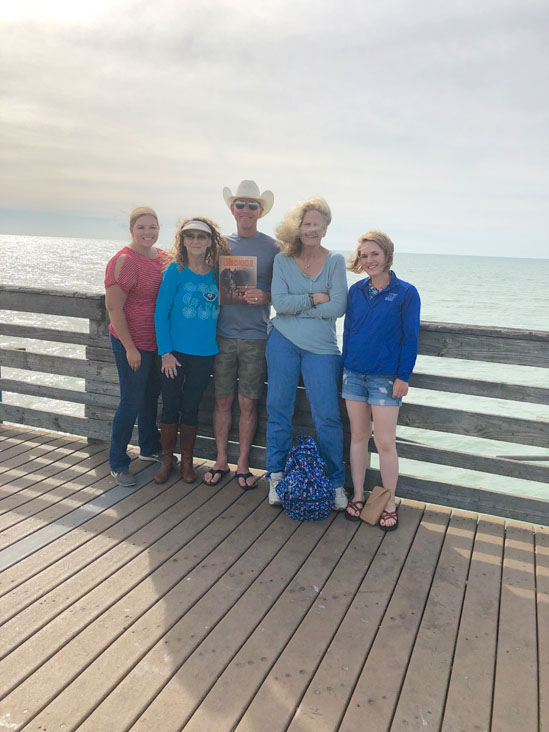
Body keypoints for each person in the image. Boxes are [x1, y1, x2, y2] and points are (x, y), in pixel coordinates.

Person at [266, 197, 348, 509]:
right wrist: (314, 299)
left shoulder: (335, 261)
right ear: (297, 228)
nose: (312, 229)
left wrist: (297, 307)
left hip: (322, 349)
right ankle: (276, 477)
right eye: (306, 224)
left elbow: (338, 307)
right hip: (282, 342)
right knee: (278, 409)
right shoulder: (282, 260)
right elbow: (279, 303)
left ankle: (335, 483)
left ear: (325, 229)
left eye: (317, 224)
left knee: (327, 416)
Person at [342, 231, 421, 530]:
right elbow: (348, 332)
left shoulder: (406, 292)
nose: (369, 260)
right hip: (353, 375)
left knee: (385, 442)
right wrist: (345, 365)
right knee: (358, 437)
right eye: (364, 256)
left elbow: (411, 337)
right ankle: (358, 495)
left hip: (386, 378)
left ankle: (389, 503)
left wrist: (403, 376)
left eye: (374, 254)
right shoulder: (356, 291)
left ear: (387, 255)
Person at [204, 180, 279, 489]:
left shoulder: (274, 247)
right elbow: (203, 281)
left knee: (248, 403)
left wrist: (266, 296)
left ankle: (244, 464)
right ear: (232, 209)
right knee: (222, 401)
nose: (246, 209)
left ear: (260, 211)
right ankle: (221, 460)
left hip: (256, 337)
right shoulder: (218, 244)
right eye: (240, 204)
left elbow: (283, 291)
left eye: (252, 205)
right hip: (221, 335)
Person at [153, 218, 229, 484]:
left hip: (205, 354)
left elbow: (237, 297)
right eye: (190, 236)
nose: (196, 241)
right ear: (183, 240)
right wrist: (165, 352)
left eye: (201, 236)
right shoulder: (174, 271)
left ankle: (187, 461)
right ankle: (167, 459)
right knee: (170, 405)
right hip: (174, 354)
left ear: (210, 242)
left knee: (191, 407)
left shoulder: (218, 273)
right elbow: (160, 314)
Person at [105, 206, 165, 486]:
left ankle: (149, 448)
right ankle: (117, 462)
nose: (147, 232)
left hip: (154, 343)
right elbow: (114, 308)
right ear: (131, 230)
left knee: (150, 397)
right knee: (130, 401)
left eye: (152, 227)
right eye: (141, 227)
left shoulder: (162, 258)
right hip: (129, 342)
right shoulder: (124, 261)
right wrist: (130, 348)